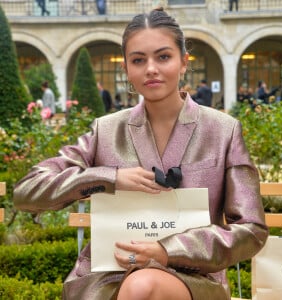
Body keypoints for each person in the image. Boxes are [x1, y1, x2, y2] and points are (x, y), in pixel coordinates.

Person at [13, 8, 268, 300]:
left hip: (194, 275)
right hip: (110, 275)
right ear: (126, 70)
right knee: (137, 286)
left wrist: (168, 250)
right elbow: (25, 192)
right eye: (138, 60)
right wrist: (110, 178)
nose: (150, 69)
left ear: (184, 62)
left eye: (163, 56)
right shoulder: (105, 130)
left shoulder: (223, 130)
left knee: (143, 286)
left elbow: (252, 230)